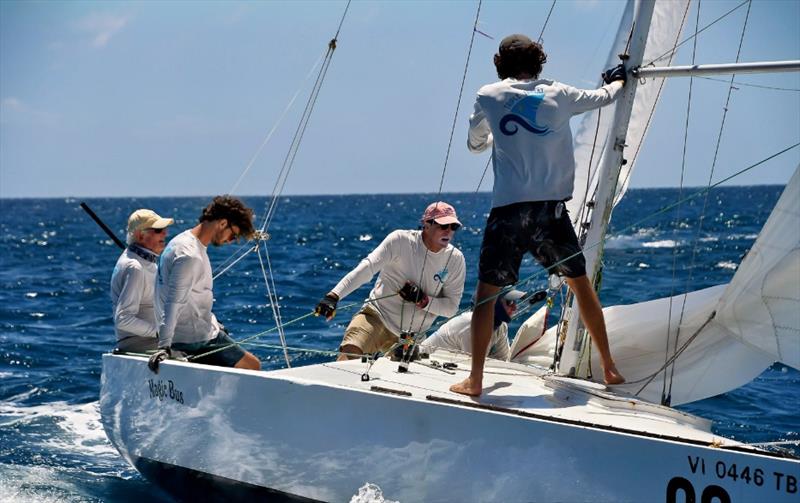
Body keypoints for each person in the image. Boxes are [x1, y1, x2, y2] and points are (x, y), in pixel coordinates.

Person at [451, 34, 627, 396]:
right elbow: (606, 96)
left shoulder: (488, 95)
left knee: (487, 295)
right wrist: (619, 79)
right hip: (551, 212)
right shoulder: (559, 93)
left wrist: (493, 139)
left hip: (509, 212)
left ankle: (476, 380)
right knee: (580, 286)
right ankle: (609, 367)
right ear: (539, 62)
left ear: (500, 64)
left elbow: (474, 143)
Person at [315, 202, 467, 361]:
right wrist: (334, 296)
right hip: (376, 317)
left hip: (410, 336)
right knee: (350, 354)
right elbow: (368, 268)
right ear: (426, 225)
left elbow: (451, 308)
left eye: (453, 227)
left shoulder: (456, 259)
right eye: (443, 226)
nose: (448, 231)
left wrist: (423, 301)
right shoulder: (400, 240)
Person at [149, 196, 261, 371]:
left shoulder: (181, 241)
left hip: (190, 333)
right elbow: (174, 302)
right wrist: (164, 346)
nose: (230, 241)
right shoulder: (190, 255)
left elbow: (190, 297)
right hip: (196, 340)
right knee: (253, 366)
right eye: (233, 235)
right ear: (223, 223)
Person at [111, 209, 174, 352]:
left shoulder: (146, 261)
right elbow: (123, 319)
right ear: (140, 235)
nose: (165, 233)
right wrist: (160, 331)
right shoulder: (135, 268)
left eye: (164, 229)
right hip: (139, 343)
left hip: (154, 339)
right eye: (158, 230)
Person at [421, 289, 526, 361]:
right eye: (509, 302)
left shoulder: (501, 326)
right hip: (422, 362)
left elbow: (502, 361)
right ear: (493, 304)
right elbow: (472, 369)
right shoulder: (470, 325)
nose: (515, 307)